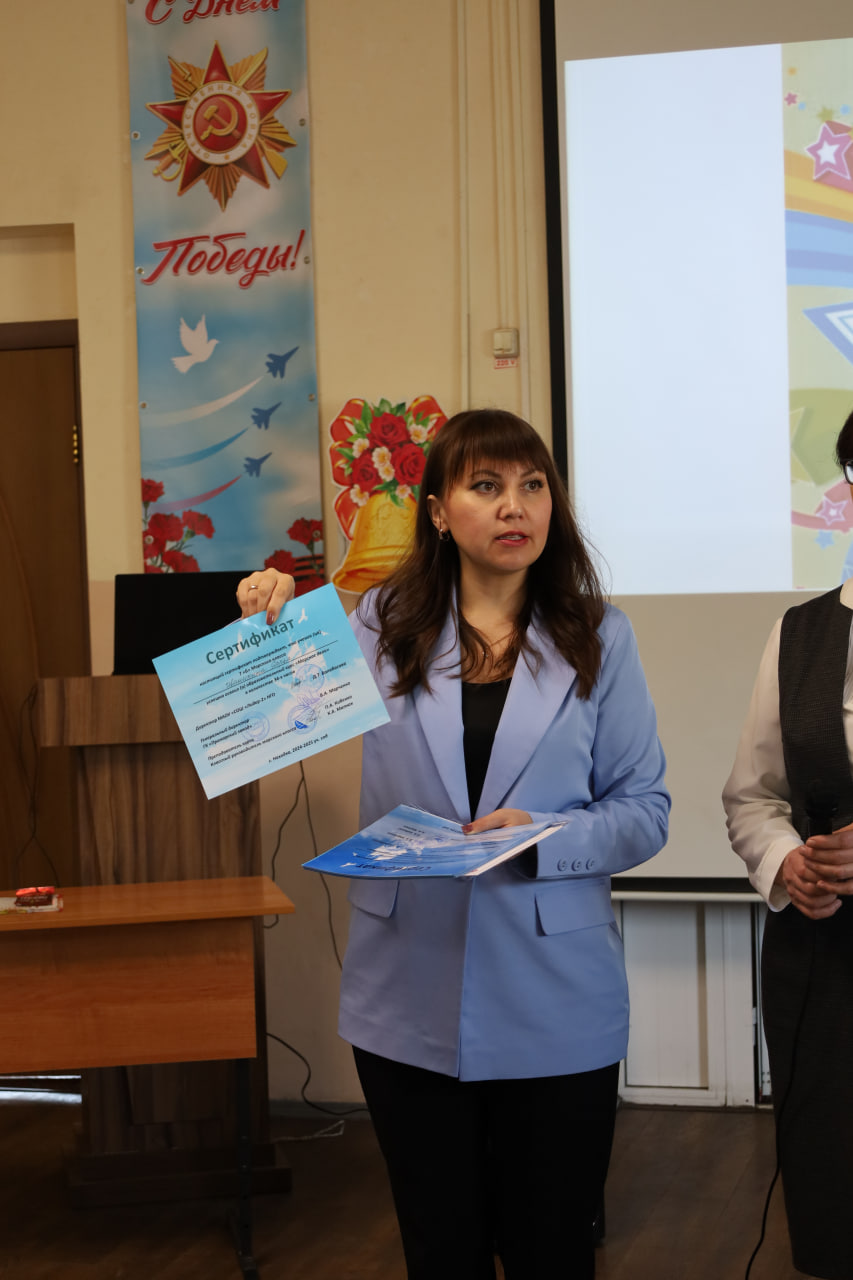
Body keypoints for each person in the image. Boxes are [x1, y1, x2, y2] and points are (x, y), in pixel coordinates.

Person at [238, 408, 669, 1280]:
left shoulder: (600, 634)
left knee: (553, 1251)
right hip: (406, 987)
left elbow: (644, 810)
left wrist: (544, 835)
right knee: (440, 1251)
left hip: (556, 996)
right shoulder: (377, 624)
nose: (515, 506)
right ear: (437, 511)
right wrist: (266, 622)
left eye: (532, 485)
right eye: (485, 486)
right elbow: (260, 723)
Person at [723, 409, 853, 1280]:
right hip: (822, 963)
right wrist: (785, 860)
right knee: (831, 1188)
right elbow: (752, 795)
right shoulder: (800, 632)